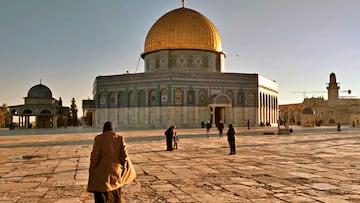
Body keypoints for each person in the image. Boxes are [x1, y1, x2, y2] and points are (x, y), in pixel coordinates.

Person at [87, 121, 136, 203]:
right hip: (116, 172)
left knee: (101, 197)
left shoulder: (98, 138)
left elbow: (94, 157)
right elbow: (125, 157)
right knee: (115, 195)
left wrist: (92, 170)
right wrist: (123, 169)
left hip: (100, 172)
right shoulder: (119, 138)